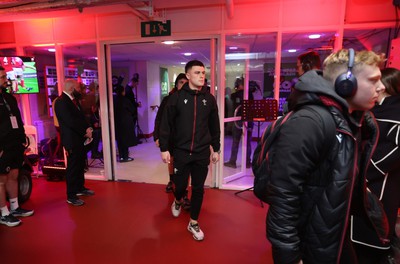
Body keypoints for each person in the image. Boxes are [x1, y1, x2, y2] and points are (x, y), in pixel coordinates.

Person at [262, 49, 385, 263]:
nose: (382, 87)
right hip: (310, 240)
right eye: (373, 80)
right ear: (345, 83)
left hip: (332, 232)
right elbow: (283, 197)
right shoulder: (310, 122)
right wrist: (289, 256)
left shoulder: (351, 119)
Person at [159, 60, 221, 241]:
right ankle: (178, 199)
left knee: (199, 188)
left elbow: (214, 126)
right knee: (180, 185)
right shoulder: (176, 98)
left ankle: (193, 222)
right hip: (181, 151)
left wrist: (215, 149)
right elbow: (165, 125)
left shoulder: (209, 99)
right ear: (187, 76)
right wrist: (164, 148)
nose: (202, 76)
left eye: (203, 73)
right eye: (197, 73)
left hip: (202, 152)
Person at [361, 67, 400, 263]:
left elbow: (396, 150)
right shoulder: (377, 109)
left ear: (384, 86)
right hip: (368, 179)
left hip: (381, 182)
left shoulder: (396, 112)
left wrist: (368, 171)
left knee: (378, 224)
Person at [0, 66, 34, 227]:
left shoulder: (9, 98)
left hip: (15, 143)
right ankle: (3, 213)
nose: (5, 79)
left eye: (5, 76)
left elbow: (17, 119)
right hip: (2, 145)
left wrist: (22, 139)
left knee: (14, 175)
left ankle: (14, 207)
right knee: (1, 180)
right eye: (2, 77)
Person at [54, 79, 95, 206]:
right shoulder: (61, 102)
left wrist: (88, 128)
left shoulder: (74, 100)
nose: (80, 90)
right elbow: (70, 121)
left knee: (80, 165)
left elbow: (81, 117)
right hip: (72, 140)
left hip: (80, 139)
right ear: (72, 88)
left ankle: (80, 188)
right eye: (78, 88)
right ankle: (71, 195)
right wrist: (85, 130)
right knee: (72, 167)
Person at [154, 73, 188, 192]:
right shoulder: (168, 99)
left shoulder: (192, 99)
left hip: (186, 137)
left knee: (185, 163)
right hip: (171, 136)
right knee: (171, 160)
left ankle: (183, 188)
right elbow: (159, 119)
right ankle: (171, 180)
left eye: (186, 83)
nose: (183, 85)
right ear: (176, 84)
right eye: (181, 82)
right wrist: (157, 136)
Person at [224, 77, 253, 169]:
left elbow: (229, 99)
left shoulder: (234, 95)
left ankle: (232, 162)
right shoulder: (250, 94)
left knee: (235, 141)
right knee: (248, 142)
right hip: (249, 120)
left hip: (239, 120)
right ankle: (248, 162)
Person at [114, 84, 136, 162]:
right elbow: (132, 109)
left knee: (119, 140)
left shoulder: (114, 100)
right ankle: (126, 157)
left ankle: (121, 157)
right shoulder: (125, 100)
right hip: (126, 122)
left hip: (117, 123)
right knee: (126, 140)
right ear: (123, 91)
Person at [125, 74, 141, 145]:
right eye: (136, 84)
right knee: (131, 126)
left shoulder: (128, 89)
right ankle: (132, 141)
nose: (135, 86)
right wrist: (137, 104)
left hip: (130, 111)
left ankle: (133, 140)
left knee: (131, 126)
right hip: (130, 112)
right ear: (133, 82)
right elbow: (130, 102)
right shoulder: (128, 90)